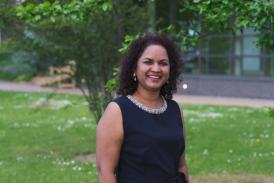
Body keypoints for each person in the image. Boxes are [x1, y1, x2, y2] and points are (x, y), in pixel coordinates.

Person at [96, 33, 189, 183]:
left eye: (163, 63)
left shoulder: (175, 109)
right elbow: (106, 171)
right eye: (148, 62)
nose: (156, 68)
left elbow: (181, 166)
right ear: (135, 67)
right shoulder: (118, 111)